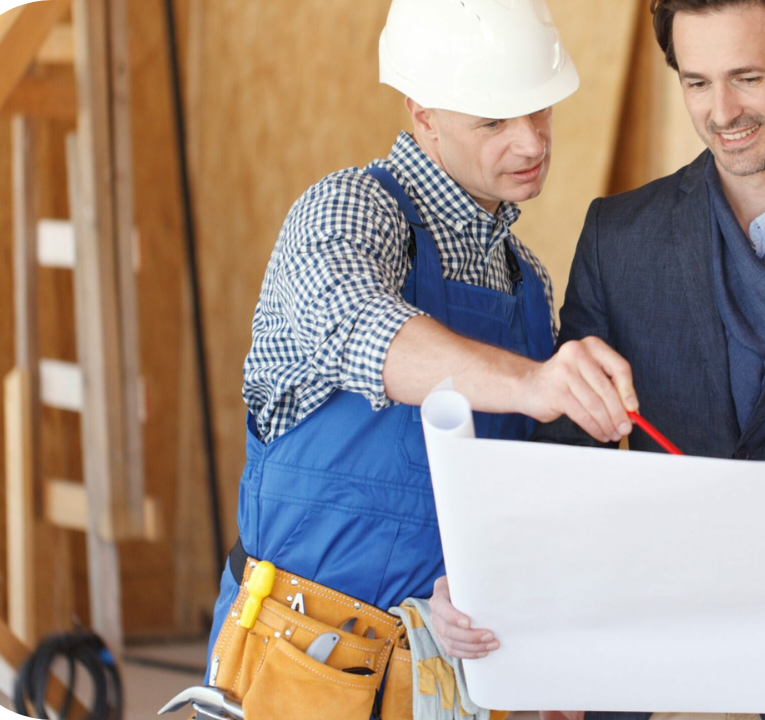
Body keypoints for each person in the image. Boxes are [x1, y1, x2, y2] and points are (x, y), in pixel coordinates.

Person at [433, 1, 765, 718]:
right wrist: (491, 586)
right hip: (642, 613)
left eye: (746, 77)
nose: (722, 111)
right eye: (696, 82)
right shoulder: (618, 236)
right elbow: (566, 445)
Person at [205, 0, 640, 671]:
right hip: (293, 668)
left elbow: (495, 499)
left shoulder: (529, 284)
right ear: (423, 114)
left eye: (541, 109)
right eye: (494, 119)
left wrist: (473, 584)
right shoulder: (350, 209)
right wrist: (531, 382)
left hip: (436, 676)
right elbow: (353, 323)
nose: (531, 142)